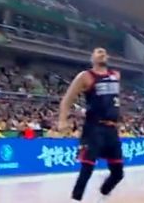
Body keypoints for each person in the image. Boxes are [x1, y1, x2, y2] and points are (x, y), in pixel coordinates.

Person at [58, 47, 123, 203]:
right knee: (87, 167)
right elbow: (67, 100)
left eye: (104, 52)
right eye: (98, 52)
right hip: (94, 127)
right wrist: (62, 120)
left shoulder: (116, 75)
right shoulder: (85, 76)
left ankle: (103, 193)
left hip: (112, 129)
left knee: (118, 173)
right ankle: (75, 199)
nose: (102, 53)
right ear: (92, 58)